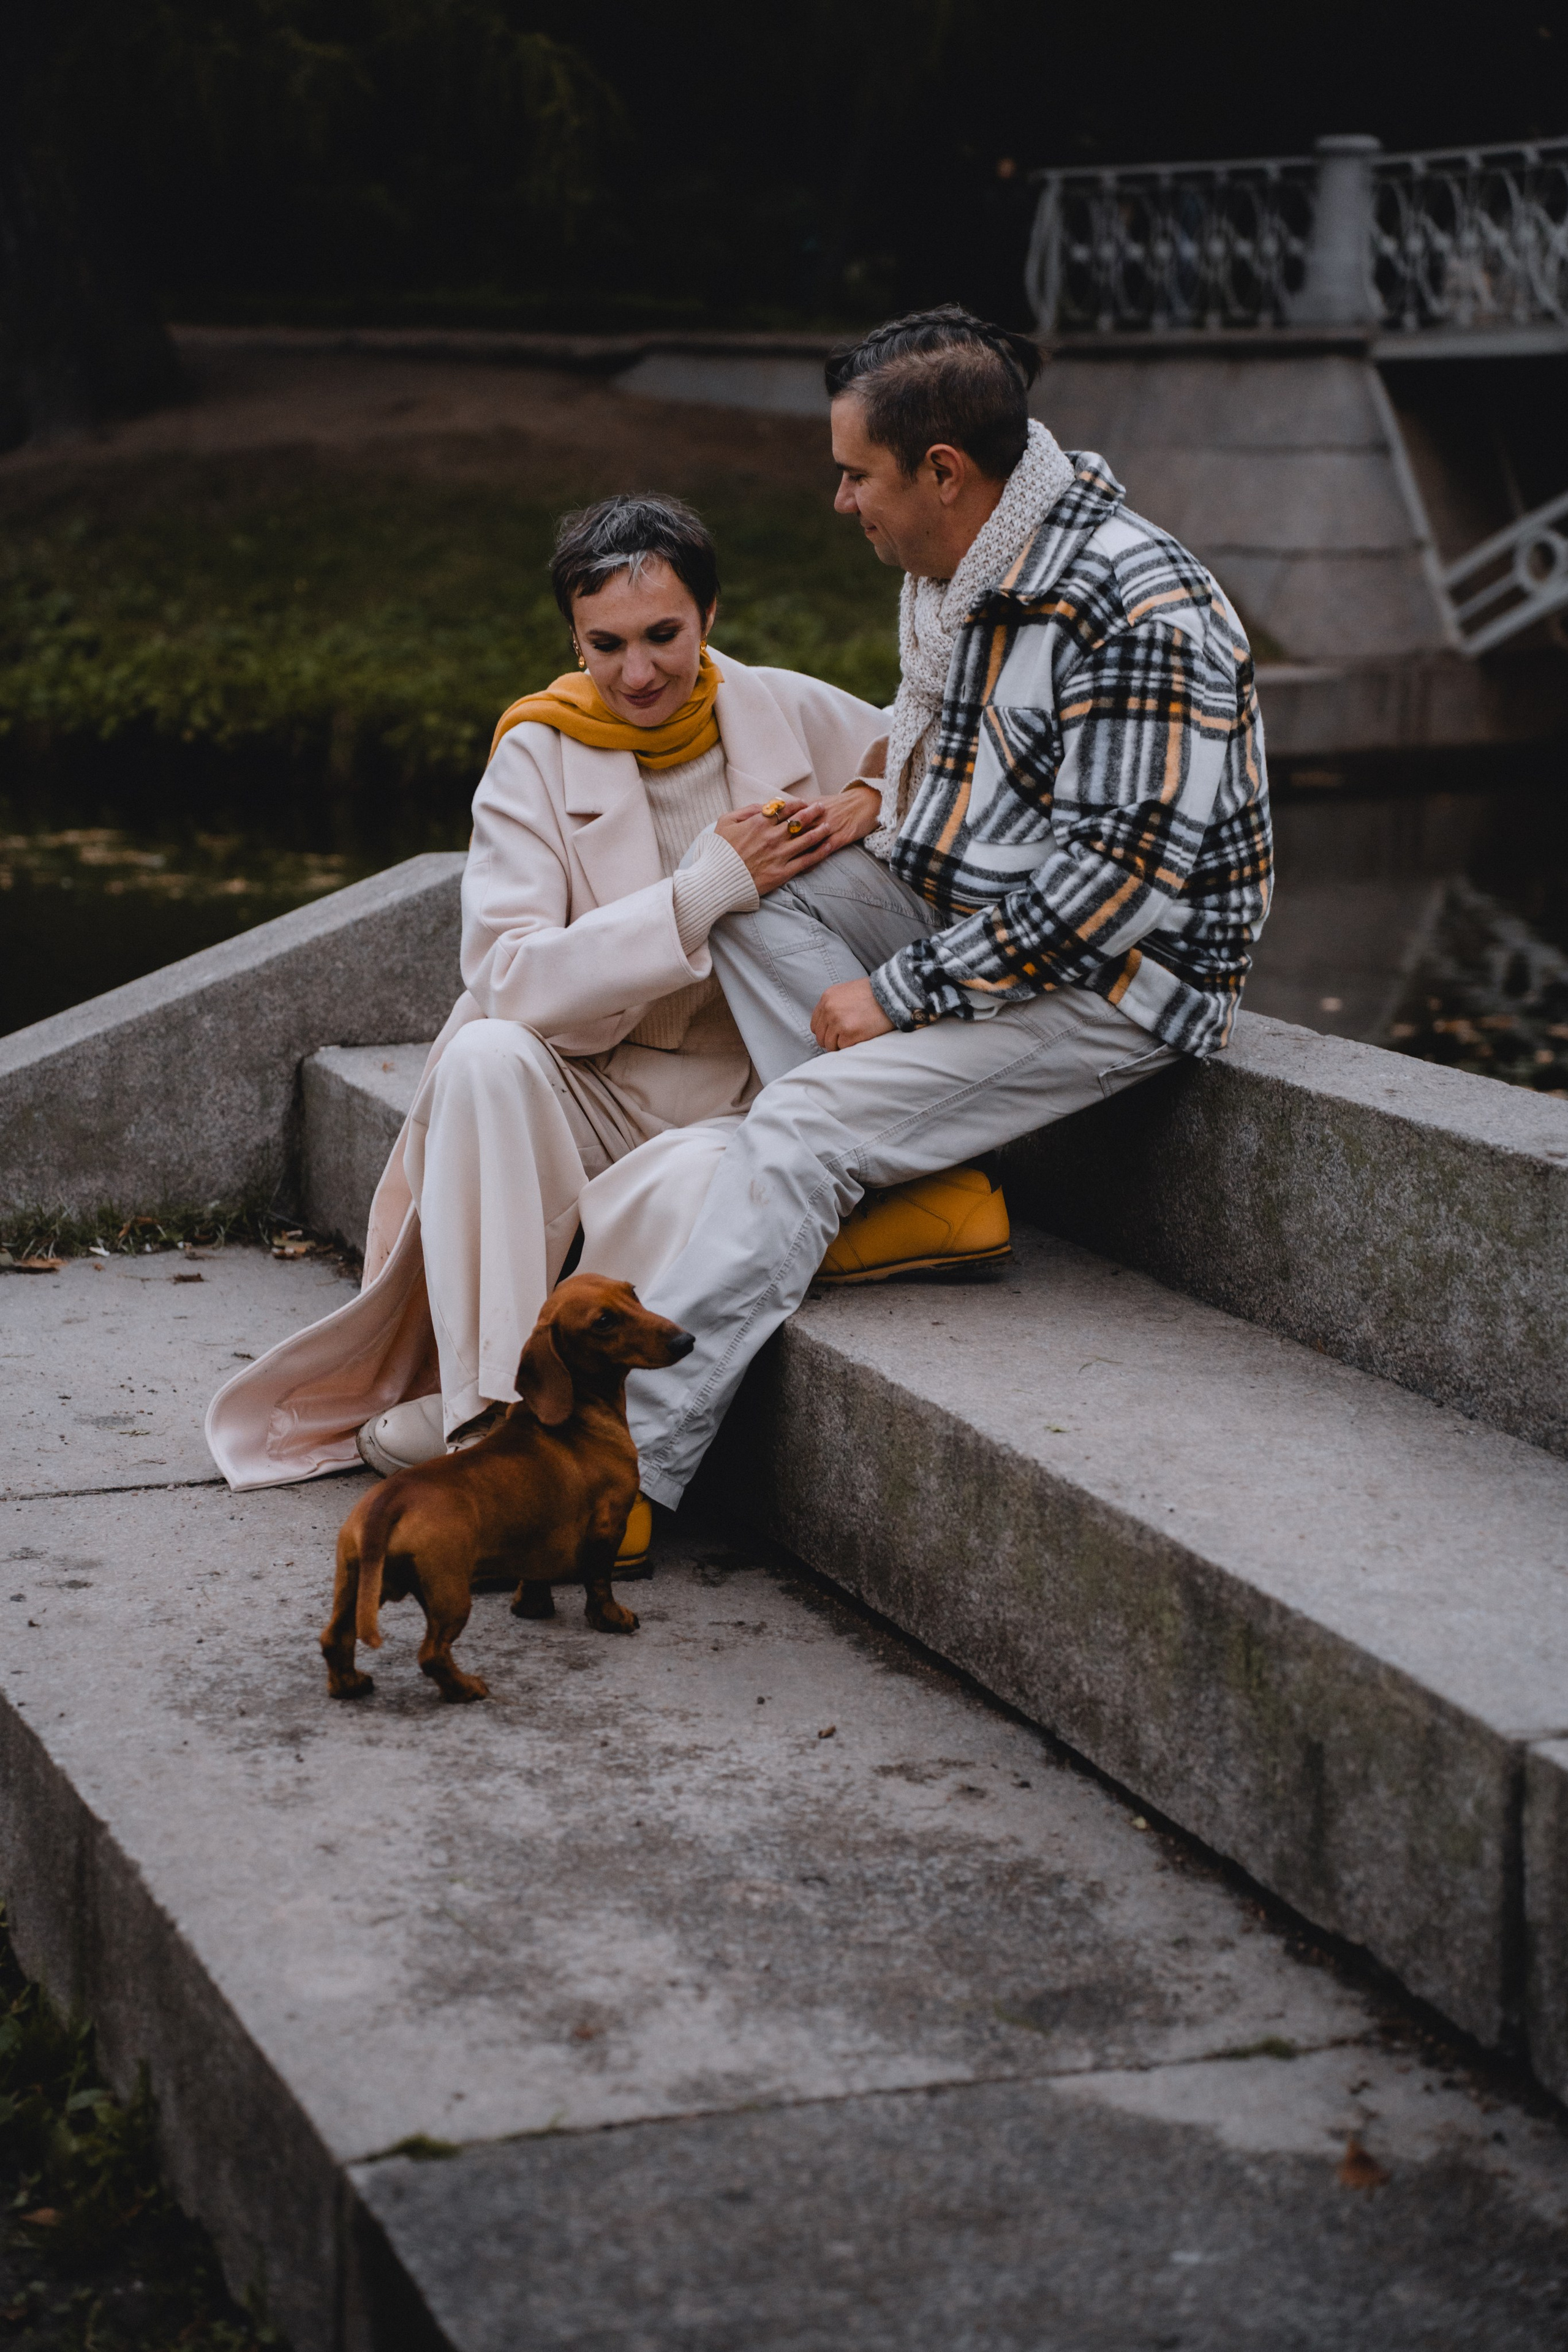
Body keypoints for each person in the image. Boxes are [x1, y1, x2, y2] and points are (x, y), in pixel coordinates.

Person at [612, 305, 1273, 1510]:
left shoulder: (1136, 608)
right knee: (750, 891)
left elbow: (1112, 888)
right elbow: (957, 736)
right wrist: (876, 790)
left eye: (853, 474)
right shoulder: (962, 572)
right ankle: (905, 1186)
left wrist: (896, 996)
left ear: (943, 474)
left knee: (804, 1123)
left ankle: (616, 1478)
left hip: (1115, 982)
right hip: (970, 915)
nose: (838, 500)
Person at [205, 493, 885, 1512]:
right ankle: (491, 1419)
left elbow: (932, 764)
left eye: (664, 635)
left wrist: (870, 799)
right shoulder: (535, 748)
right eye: (606, 645)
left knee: (714, 1175)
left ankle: (549, 1412)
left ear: (710, 619)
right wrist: (701, 894)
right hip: (592, 1079)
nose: (639, 672)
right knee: (483, 1054)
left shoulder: (794, 710)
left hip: (745, 1089)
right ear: (574, 637)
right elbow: (508, 973)